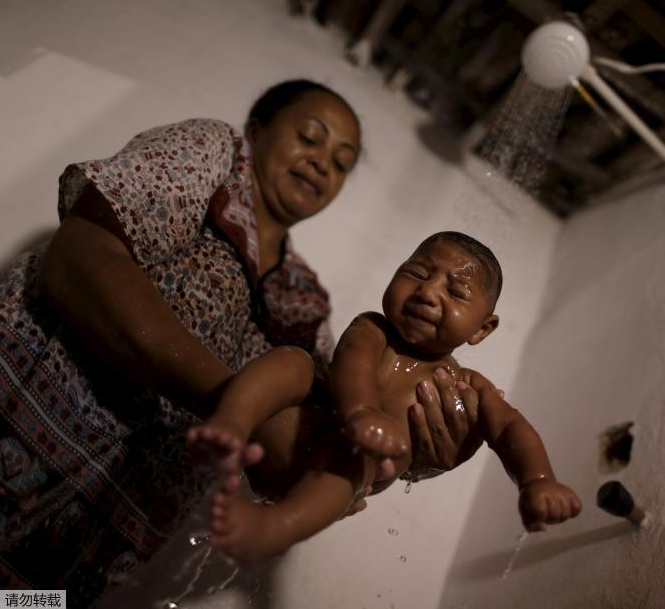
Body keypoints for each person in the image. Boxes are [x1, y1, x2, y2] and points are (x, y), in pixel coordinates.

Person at [0, 80, 472, 603]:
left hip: (76, 542)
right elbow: (80, 258)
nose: (321, 163)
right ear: (257, 131)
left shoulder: (307, 305)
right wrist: (235, 402)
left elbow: (303, 455)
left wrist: (410, 448)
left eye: (340, 163)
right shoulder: (215, 156)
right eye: (310, 137)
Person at [187, 231, 582, 565]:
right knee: (295, 361)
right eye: (416, 274)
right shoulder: (373, 327)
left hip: (334, 478)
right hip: (294, 426)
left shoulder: (468, 385)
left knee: (354, 451)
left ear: (482, 329)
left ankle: (275, 528)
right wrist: (361, 412)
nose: (427, 292)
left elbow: (510, 425)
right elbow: (354, 360)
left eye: (456, 291)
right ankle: (228, 426)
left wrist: (537, 480)